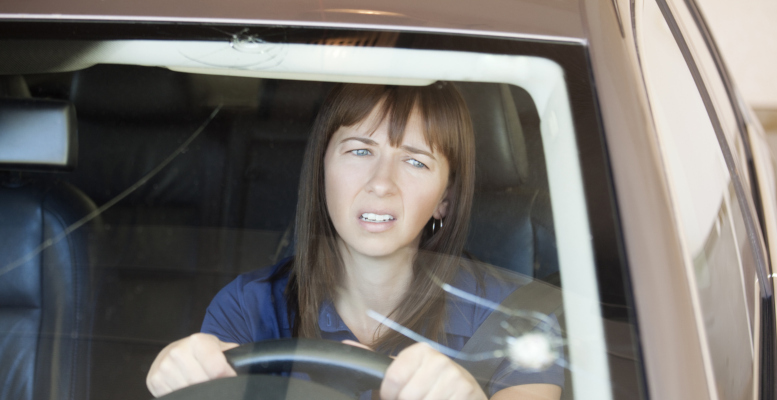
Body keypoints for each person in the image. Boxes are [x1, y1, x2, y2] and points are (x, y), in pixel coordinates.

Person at [146, 82, 563, 399]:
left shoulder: (519, 324)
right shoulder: (247, 308)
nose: (382, 184)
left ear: (445, 200)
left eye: (415, 161)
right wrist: (180, 375)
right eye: (360, 151)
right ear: (322, 169)